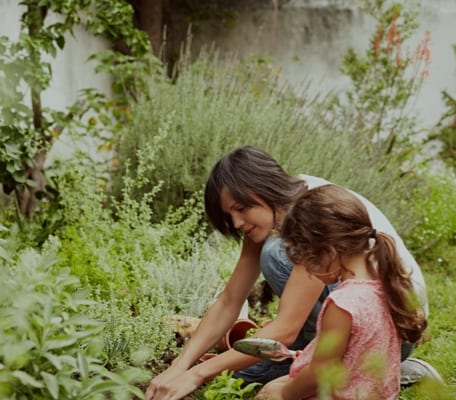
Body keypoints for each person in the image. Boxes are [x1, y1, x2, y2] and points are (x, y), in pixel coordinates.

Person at [144, 145, 437, 400]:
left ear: (264, 188)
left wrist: (197, 375)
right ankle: (334, 361)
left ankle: (393, 370)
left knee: (274, 255)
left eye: (241, 208)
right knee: (246, 377)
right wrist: (180, 366)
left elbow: (285, 329)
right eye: (229, 215)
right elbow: (230, 299)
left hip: (393, 331)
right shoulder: (276, 208)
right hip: (381, 322)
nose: (236, 222)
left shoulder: (311, 214)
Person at [253, 184, 427, 399]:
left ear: (328, 251)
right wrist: (309, 355)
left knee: (270, 390)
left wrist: (283, 394)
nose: (308, 270)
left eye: (307, 260)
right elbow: (360, 346)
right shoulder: (385, 283)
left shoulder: (342, 304)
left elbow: (318, 374)